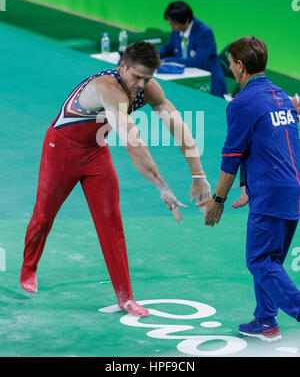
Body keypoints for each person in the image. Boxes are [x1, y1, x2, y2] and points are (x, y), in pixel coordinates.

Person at [20, 41, 211, 317]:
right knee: (43, 216)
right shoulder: (108, 89)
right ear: (122, 67)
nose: (141, 84)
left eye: (148, 78)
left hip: (95, 152)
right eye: (136, 77)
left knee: (111, 220)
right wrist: (162, 187)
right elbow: (133, 142)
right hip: (61, 149)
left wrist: (198, 173)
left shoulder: (147, 88)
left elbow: (177, 125)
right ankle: (29, 268)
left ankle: (125, 297)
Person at [198, 36, 300, 342]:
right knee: (271, 261)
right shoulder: (280, 95)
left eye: (230, 61)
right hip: (292, 190)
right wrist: (246, 185)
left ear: (240, 66)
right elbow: (265, 143)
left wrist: (218, 199)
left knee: (259, 260)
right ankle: (265, 321)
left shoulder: (242, 103)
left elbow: (231, 156)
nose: (228, 65)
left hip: (271, 193)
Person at [159, 1, 227, 98]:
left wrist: (167, 61)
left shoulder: (204, 32)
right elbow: (169, 47)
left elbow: (198, 61)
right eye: (170, 22)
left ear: (187, 21)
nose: (171, 26)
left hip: (208, 84)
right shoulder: (177, 31)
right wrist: (156, 54)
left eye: (174, 23)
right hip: (187, 79)